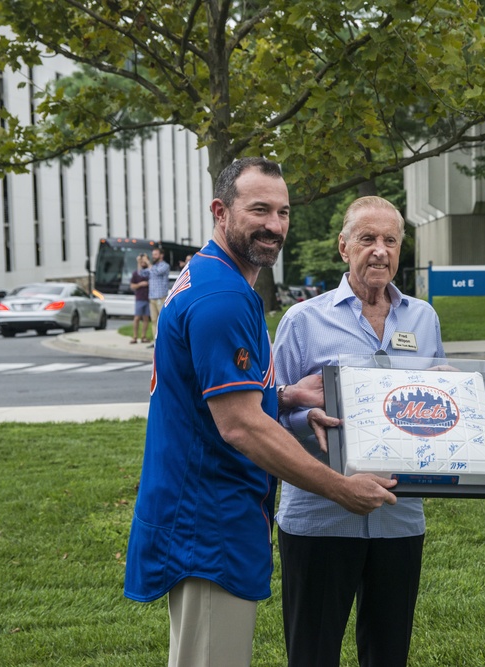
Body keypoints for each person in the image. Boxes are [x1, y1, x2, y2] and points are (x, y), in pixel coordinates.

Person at [124, 158, 397, 667]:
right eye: (259, 210)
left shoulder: (208, 275)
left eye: (283, 212)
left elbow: (216, 396)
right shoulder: (223, 295)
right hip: (207, 522)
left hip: (205, 514)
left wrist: (287, 396)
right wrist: (342, 488)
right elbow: (241, 426)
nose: (275, 224)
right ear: (220, 210)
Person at [272, 195, 445, 667]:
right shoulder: (303, 320)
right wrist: (299, 411)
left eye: (390, 240)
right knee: (313, 651)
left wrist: (469, 415)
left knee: (389, 653)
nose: (380, 250)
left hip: (399, 516)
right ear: (343, 246)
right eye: (367, 238)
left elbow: (437, 399)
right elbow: (269, 406)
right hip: (320, 515)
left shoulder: (423, 319)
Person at [145, 245, 170, 344]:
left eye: (155, 254)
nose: (153, 256)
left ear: (161, 255)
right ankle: (156, 341)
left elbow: (157, 272)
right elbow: (141, 273)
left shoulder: (165, 265)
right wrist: (140, 262)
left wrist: (148, 263)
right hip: (152, 298)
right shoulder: (153, 266)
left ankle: (165, 341)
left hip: (161, 297)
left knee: (163, 320)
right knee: (154, 320)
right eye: (153, 255)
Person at [129, 254, 151, 344]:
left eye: (144, 261)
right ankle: (134, 337)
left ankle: (143, 336)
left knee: (146, 318)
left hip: (149, 298)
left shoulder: (150, 271)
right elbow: (132, 286)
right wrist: (140, 284)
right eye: (141, 261)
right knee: (137, 318)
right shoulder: (136, 273)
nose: (143, 263)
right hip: (140, 298)